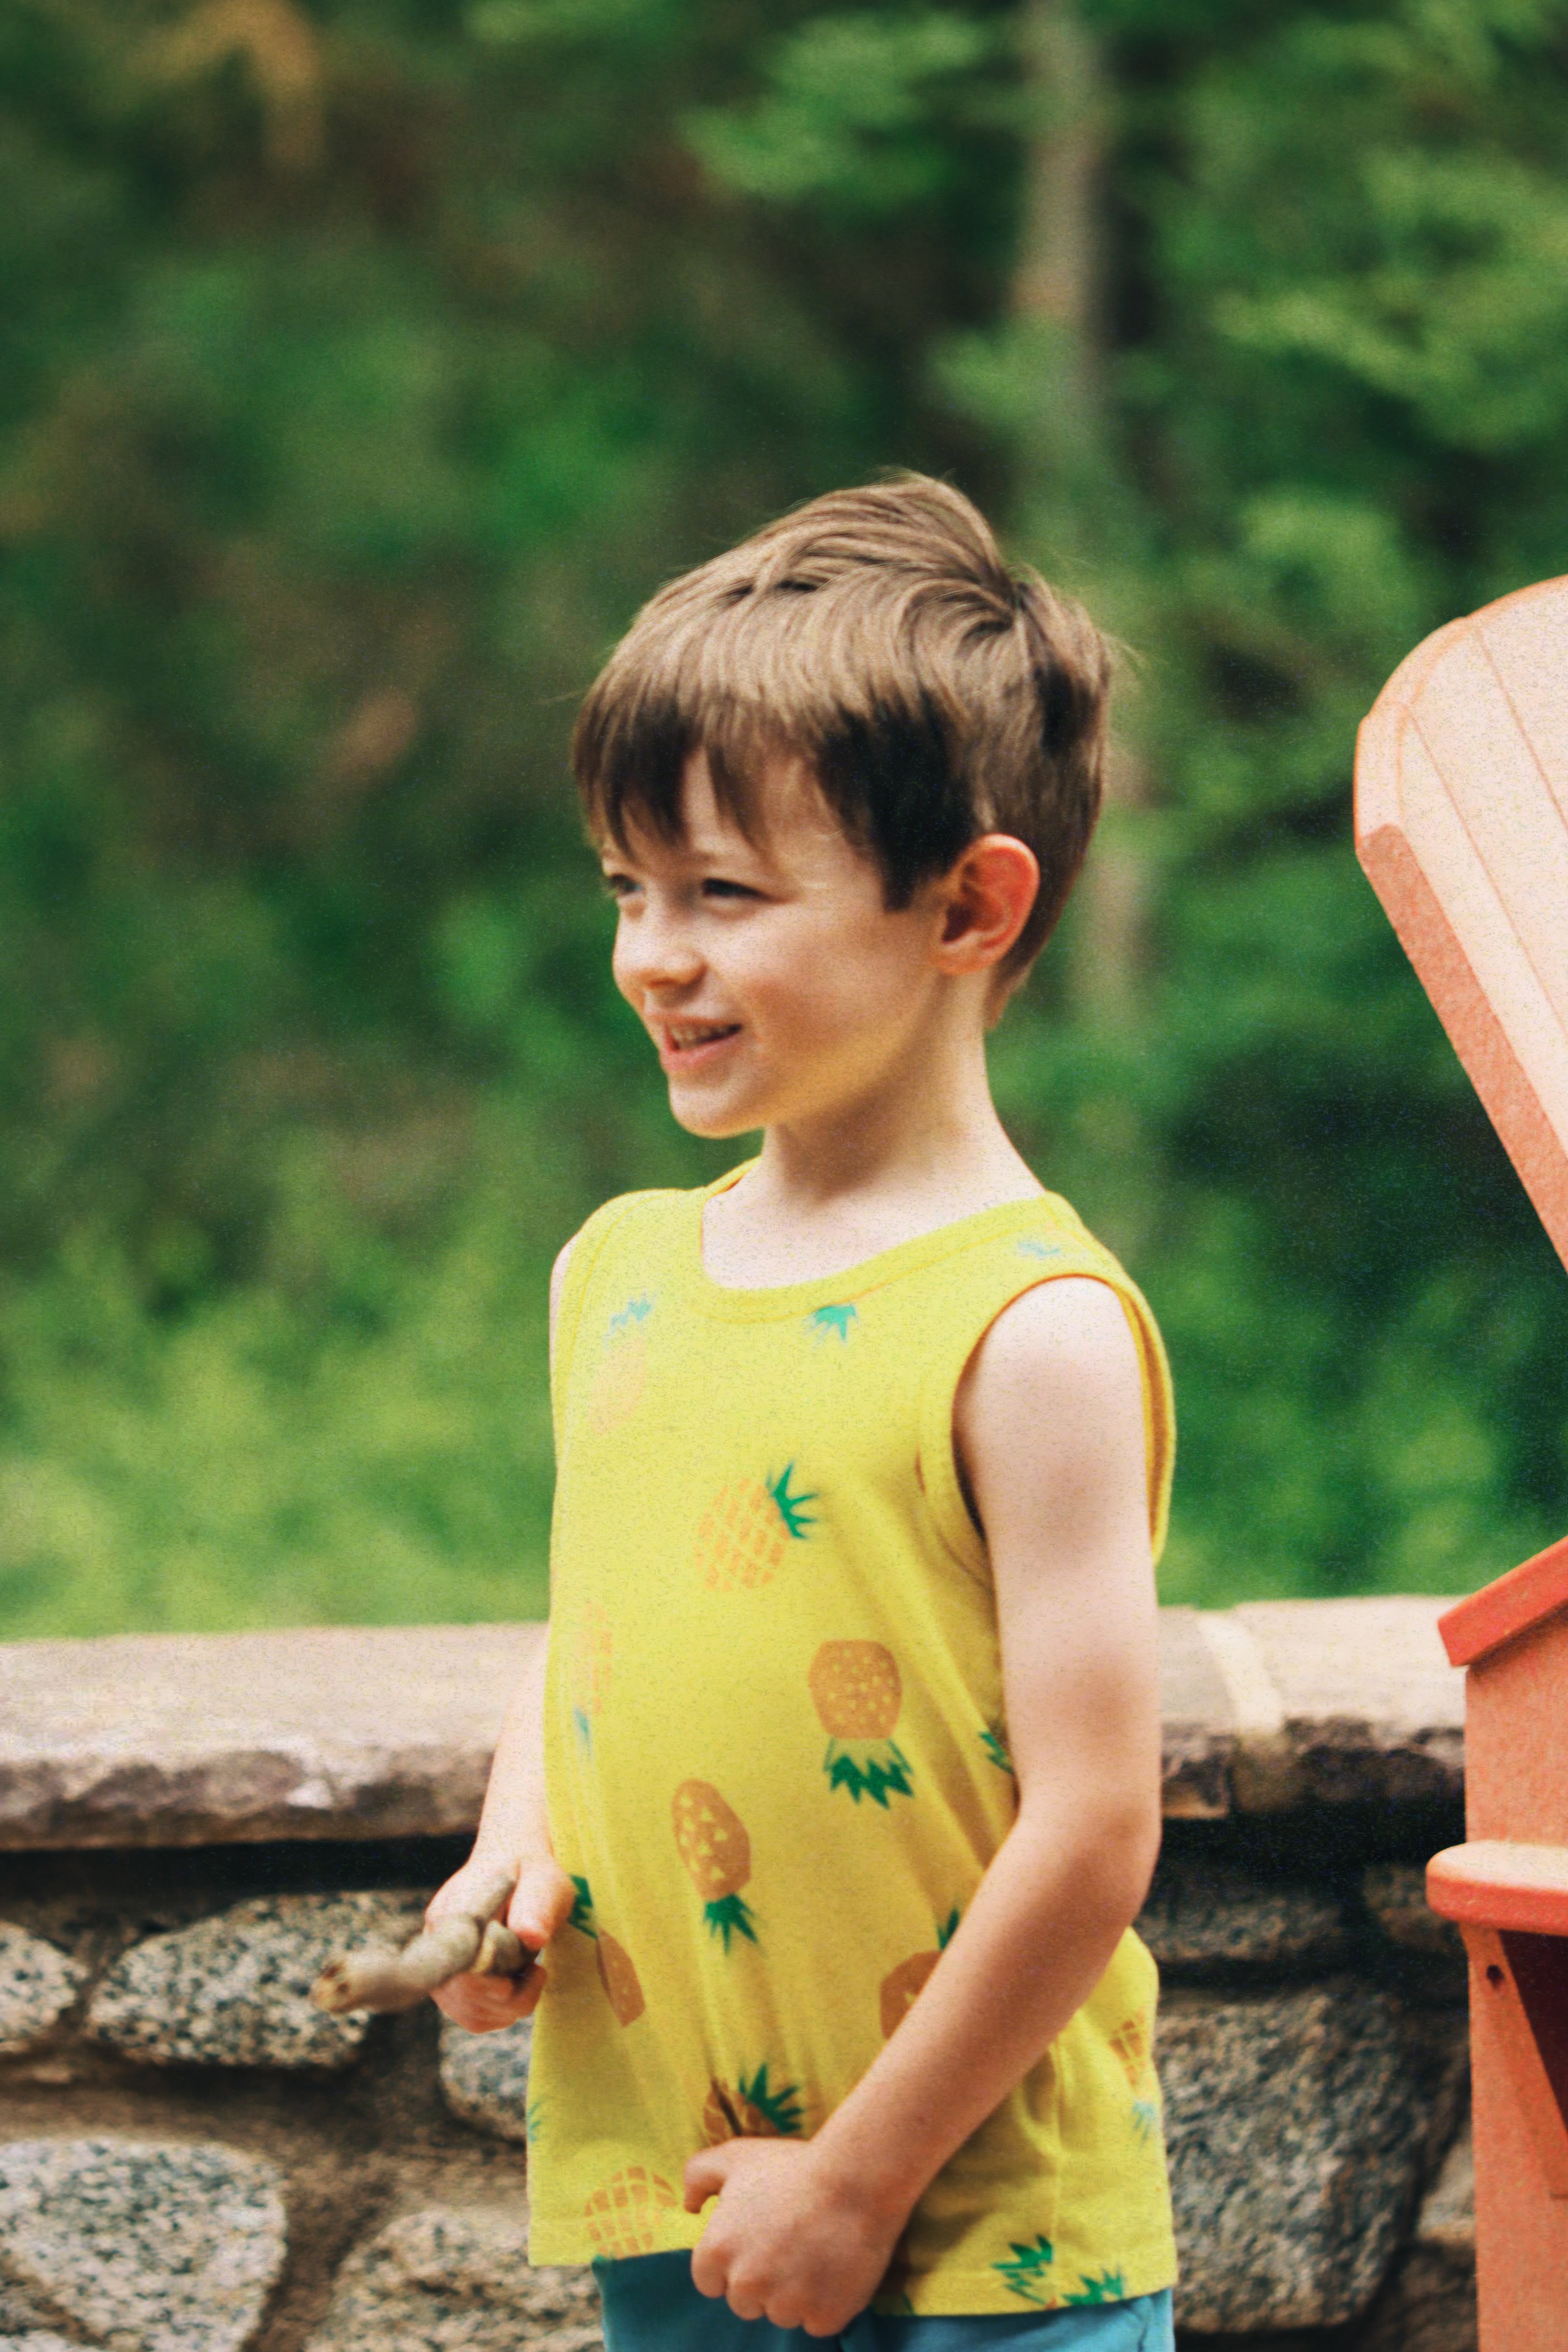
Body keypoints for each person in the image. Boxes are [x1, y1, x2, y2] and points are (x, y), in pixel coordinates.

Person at [427, 476, 1177, 2351]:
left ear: (969, 906)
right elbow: (597, 1622)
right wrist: (520, 1843)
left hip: (985, 2242)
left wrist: (856, 2181)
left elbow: (1096, 1828)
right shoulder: (613, 1276)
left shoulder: (1034, 1329)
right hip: (690, 2195)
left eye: (723, 895)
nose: (649, 955)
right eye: (628, 888)